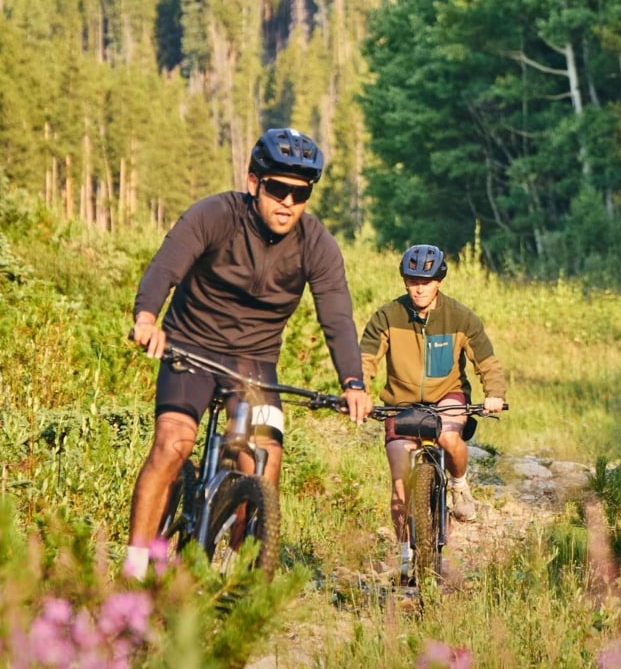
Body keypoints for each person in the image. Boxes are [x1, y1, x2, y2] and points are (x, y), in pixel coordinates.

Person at [124, 126, 372, 575]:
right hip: (192, 345)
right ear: (254, 182)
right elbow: (166, 266)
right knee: (173, 444)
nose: (288, 203)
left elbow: (336, 314)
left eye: (300, 194)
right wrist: (147, 319)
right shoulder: (214, 215)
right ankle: (134, 569)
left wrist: (353, 381)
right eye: (278, 189)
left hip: (253, 364)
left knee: (264, 465)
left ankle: (240, 576)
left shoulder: (316, 243)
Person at [360, 242, 507, 580]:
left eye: (426, 280)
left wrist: (494, 394)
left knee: (448, 435)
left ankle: (458, 484)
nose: (419, 287)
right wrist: (360, 390)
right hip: (401, 402)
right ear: (404, 280)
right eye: (412, 280)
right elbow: (366, 357)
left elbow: (486, 361)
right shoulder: (387, 316)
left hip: (448, 395)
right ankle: (405, 556)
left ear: (439, 280)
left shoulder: (460, 316)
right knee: (399, 480)